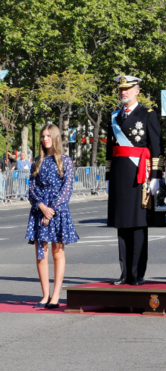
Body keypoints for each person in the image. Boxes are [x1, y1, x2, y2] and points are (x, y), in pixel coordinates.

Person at [106, 75, 163, 286]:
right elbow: (109, 151)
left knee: (138, 225)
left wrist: (156, 177)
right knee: (122, 225)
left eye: (128, 89)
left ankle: (137, 273)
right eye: (121, 89)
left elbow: (156, 147)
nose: (123, 92)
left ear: (137, 90)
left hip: (140, 177)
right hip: (120, 177)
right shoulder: (113, 116)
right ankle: (124, 273)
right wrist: (108, 177)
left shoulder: (147, 114)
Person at [25, 124, 78, 309]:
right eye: (43, 136)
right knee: (41, 254)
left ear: (55, 137)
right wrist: (41, 206)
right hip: (39, 210)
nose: (45, 139)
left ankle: (56, 295)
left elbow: (67, 189)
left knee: (57, 252)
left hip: (58, 210)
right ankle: (45, 295)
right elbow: (31, 189)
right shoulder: (36, 162)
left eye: (48, 135)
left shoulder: (65, 161)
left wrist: (51, 210)